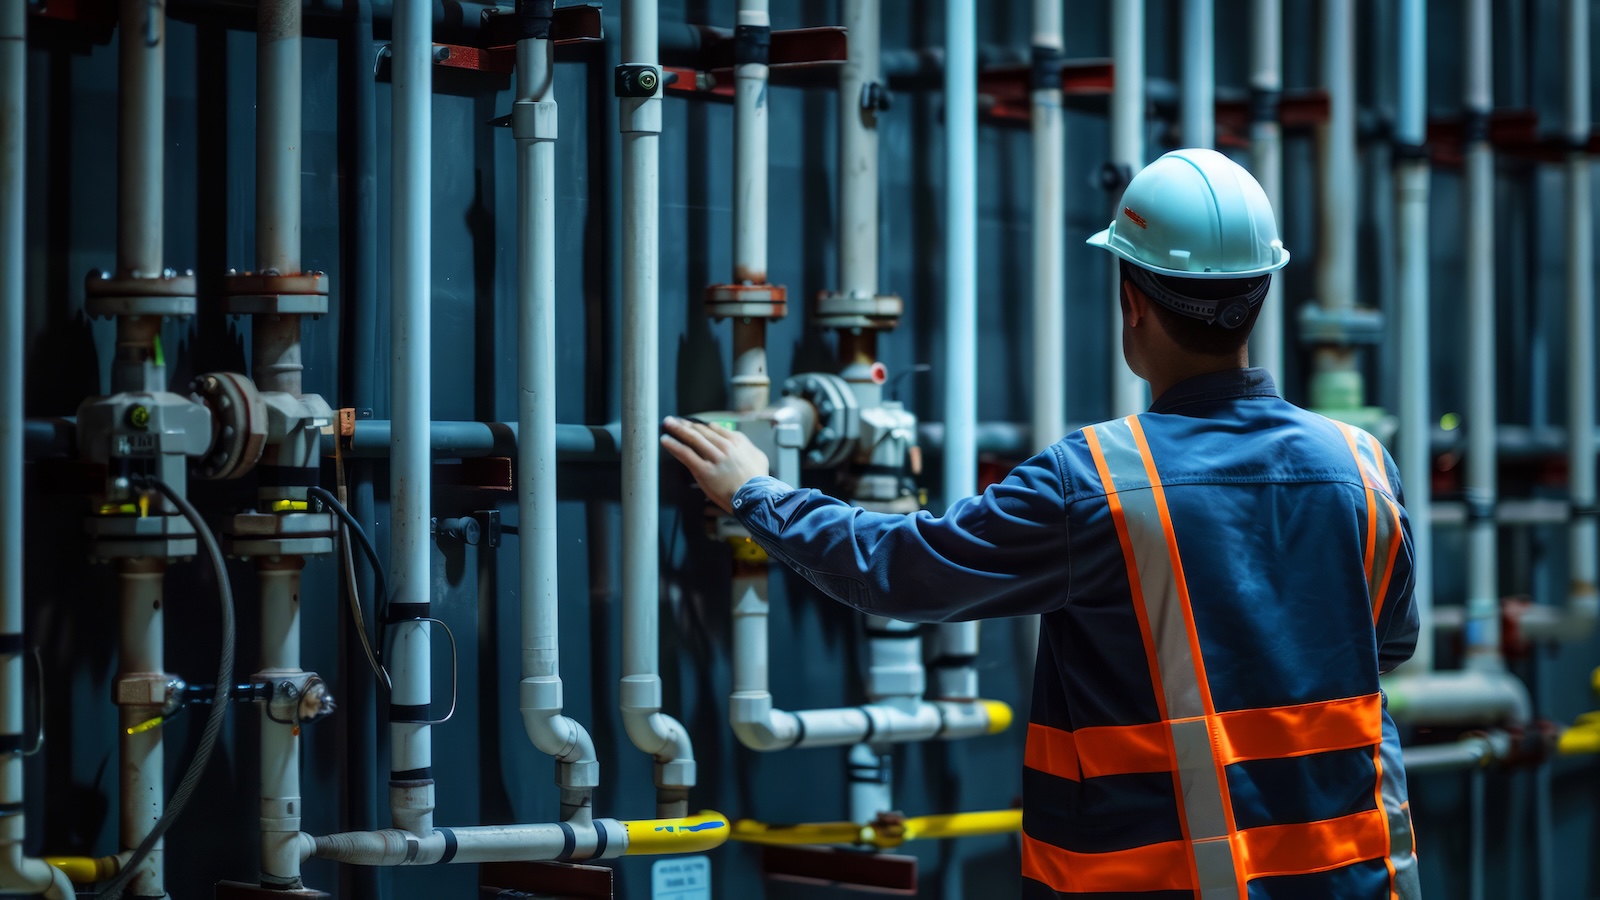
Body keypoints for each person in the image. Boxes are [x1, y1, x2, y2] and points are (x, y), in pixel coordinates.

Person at [661, 148, 1420, 900]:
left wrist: (757, 492)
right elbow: (1388, 641)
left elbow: (897, 569)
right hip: (1356, 880)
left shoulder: (1097, 482)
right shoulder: (1362, 467)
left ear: (1134, 300)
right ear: (1259, 293)